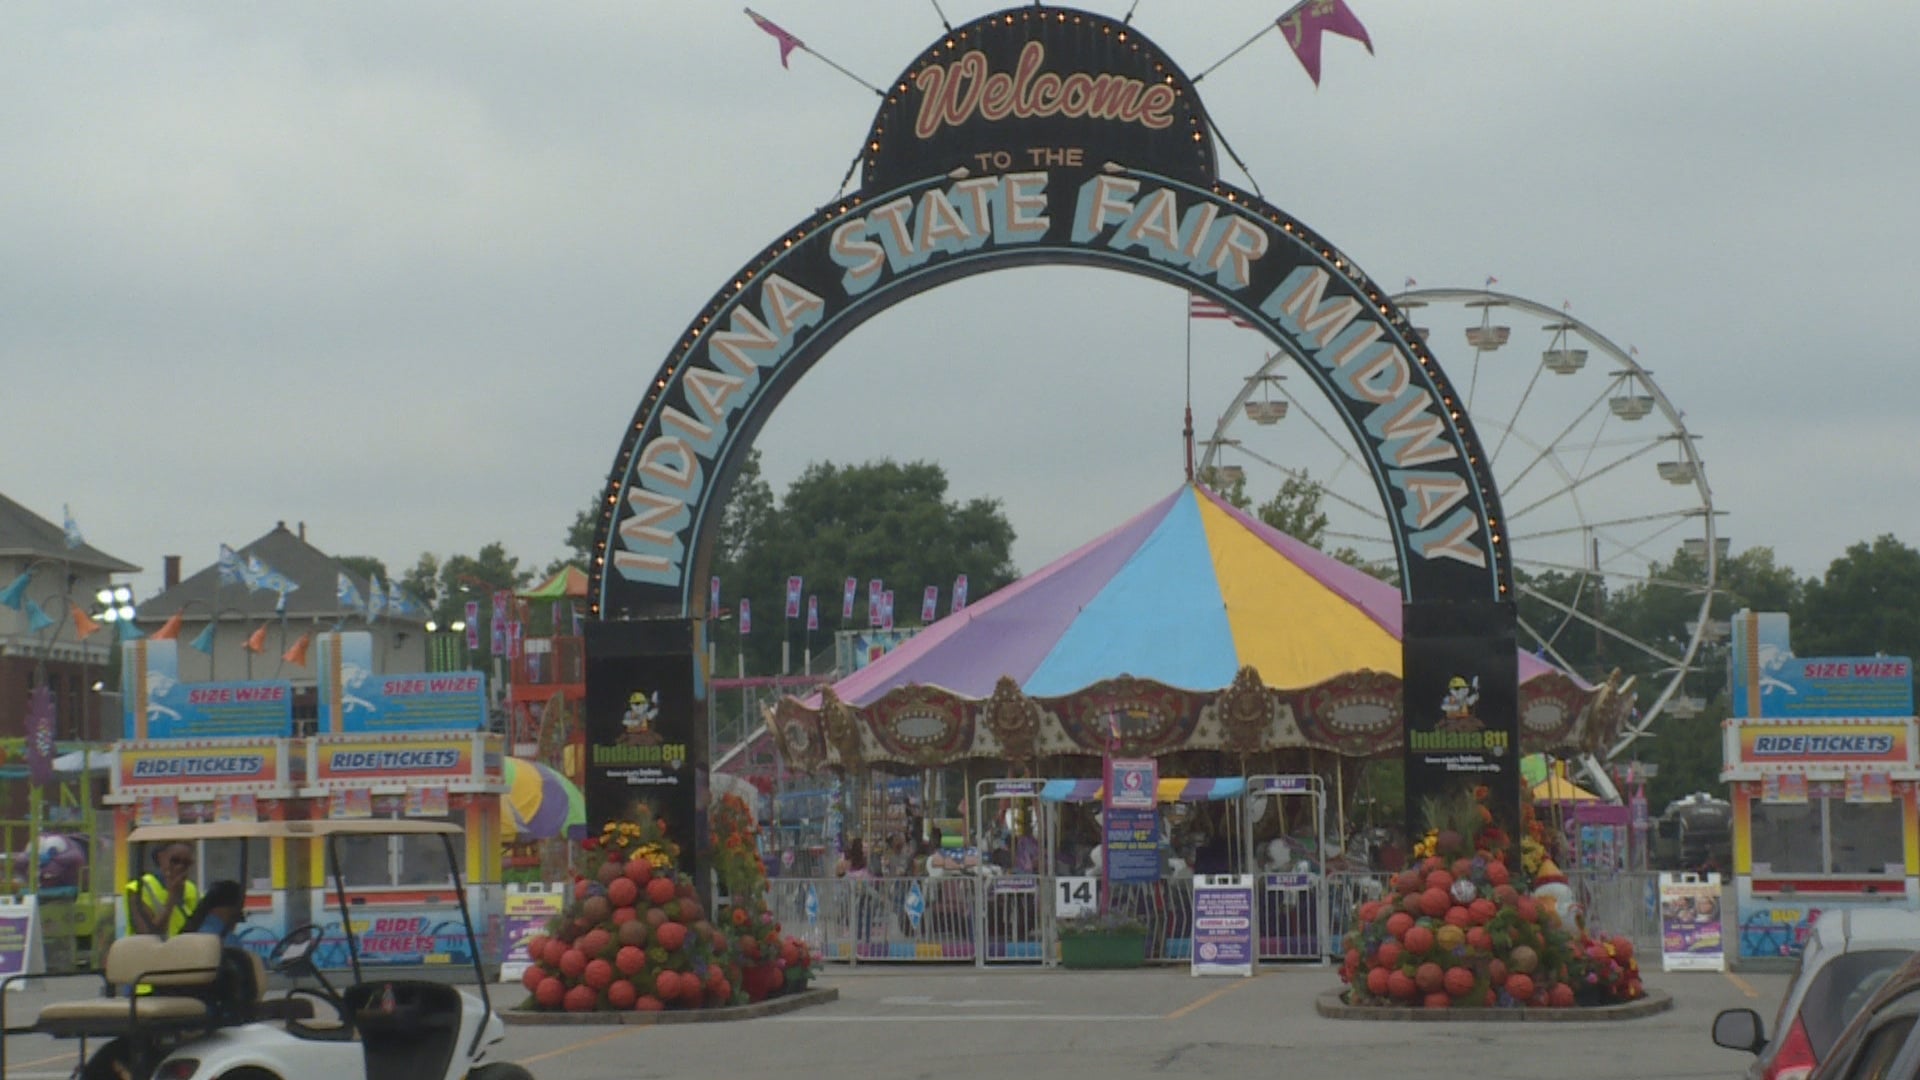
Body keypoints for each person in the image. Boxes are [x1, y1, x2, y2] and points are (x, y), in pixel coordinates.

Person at [126, 842, 199, 939]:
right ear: (161, 858)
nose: (180, 867)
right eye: (175, 861)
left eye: (186, 863)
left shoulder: (192, 889)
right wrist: (172, 898)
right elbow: (148, 935)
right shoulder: (139, 888)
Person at [180, 880, 244, 941]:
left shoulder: (192, 930)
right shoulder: (227, 939)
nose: (235, 925)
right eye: (235, 916)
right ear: (227, 910)